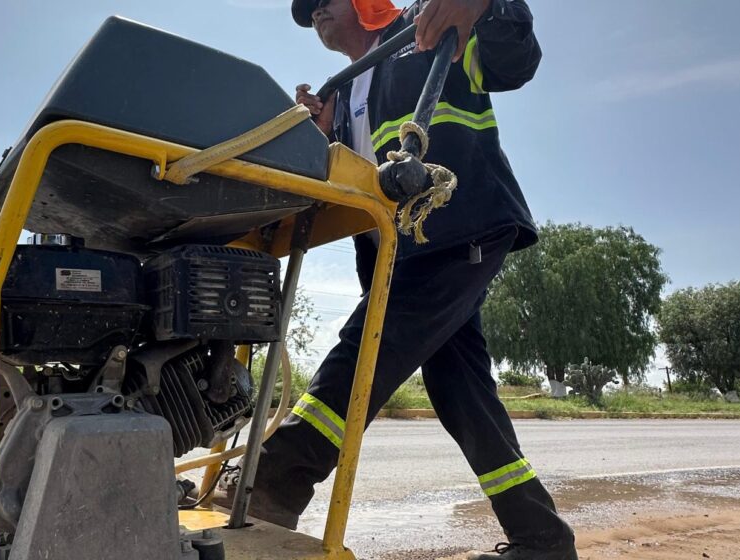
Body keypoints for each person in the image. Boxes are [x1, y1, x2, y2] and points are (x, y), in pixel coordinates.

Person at [218, 0, 577, 558]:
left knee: (368, 345)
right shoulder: (343, 91)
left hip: (459, 223)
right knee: (462, 392)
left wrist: (483, 2)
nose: (316, 15)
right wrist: (311, 136)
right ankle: (543, 540)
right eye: (307, 13)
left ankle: (274, 481)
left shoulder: (426, 29)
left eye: (324, 2)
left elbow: (514, 61)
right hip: (399, 251)